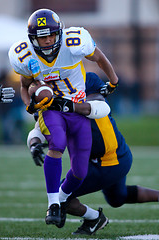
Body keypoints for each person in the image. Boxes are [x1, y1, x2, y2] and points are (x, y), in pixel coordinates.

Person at [8, 9, 118, 226]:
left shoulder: (74, 43)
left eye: (51, 34)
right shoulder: (25, 56)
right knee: (56, 143)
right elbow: (24, 87)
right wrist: (31, 107)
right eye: (42, 36)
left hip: (77, 108)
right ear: (33, 39)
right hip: (52, 109)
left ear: (60, 33)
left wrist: (113, 80)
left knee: (79, 171)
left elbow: (99, 57)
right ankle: (54, 204)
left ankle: (61, 199)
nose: (48, 40)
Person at [27, 72, 159, 235]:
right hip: (110, 157)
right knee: (117, 197)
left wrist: (65, 105)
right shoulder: (51, 89)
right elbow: (39, 129)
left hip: (110, 160)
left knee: (61, 196)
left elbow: (96, 105)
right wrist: (34, 144)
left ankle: (94, 218)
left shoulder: (86, 80)